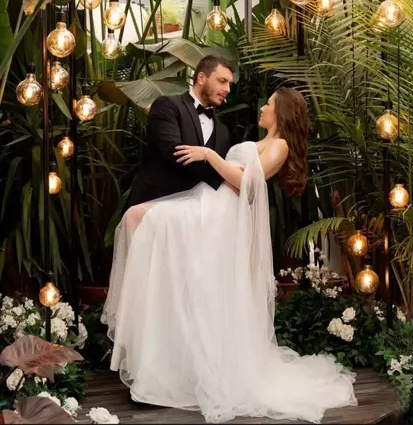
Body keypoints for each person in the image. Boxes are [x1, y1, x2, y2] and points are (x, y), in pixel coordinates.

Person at [102, 87, 357, 424]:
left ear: (281, 112)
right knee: (140, 224)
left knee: (140, 220)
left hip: (220, 214)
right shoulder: (263, 141)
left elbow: (246, 183)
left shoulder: (280, 146)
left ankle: (163, 351)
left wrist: (209, 155)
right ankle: (155, 338)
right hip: (207, 201)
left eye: (269, 104)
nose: (263, 107)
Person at [127, 54, 234, 207]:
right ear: (201, 78)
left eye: (230, 84)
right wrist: (219, 166)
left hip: (196, 213)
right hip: (154, 205)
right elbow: (176, 153)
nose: (227, 89)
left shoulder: (223, 131)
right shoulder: (167, 106)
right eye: (222, 81)